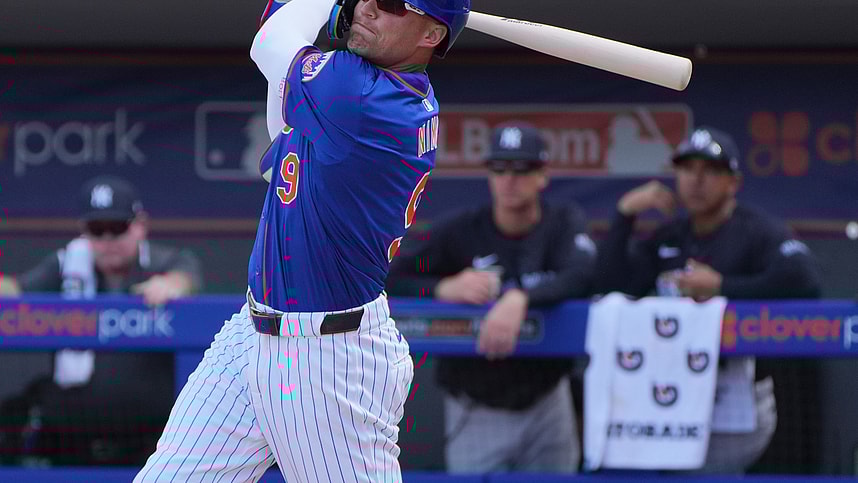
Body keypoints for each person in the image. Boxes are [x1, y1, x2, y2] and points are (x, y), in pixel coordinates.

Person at [135, 0, 469, 481]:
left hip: (328, 360)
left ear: (431, 35)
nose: (368, 7)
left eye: (392, 3)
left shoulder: (366, 97)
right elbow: (281, 126)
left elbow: (271, 41)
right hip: (253, 334)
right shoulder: (357, 90)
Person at [594, 126, 822, 473]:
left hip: (735, 397)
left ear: (734, 182)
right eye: (687, 169)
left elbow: (804, 277)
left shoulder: (756, 230)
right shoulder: (670, 236)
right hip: (671, 390)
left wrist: (722, 286)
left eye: (710, 170)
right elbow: (611, 284)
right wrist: (624, 215)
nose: (696, 180)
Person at [386, 123, 596, 473]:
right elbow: (392, 276)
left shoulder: (561, 222)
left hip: (546, 400)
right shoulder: (461, 230)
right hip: (476, 404)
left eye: (521, 169)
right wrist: (443, 288)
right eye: (499, 169)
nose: (509, 179)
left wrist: (521, 297)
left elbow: (583, 274)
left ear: (542, 175)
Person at [0, 175, 203, 466]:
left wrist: (172, 285)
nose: (108, 240)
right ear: (84, 231)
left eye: (117, 227)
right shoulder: (66, 265)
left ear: (140, 225)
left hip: (152, 440)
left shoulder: (163, 262)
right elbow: (16, 292)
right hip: (76, 438)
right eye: (97, 230)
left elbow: (186, 277)